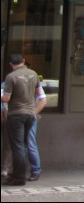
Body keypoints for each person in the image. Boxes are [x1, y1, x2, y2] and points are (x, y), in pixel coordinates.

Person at [1, 54, 46, 187]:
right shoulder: (34, 74)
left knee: (17, 146)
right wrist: (34, 111)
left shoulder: (11, 77)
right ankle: (21, 174)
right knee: (27, 145)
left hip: (16, 114)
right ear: (23, 61)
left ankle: (19, 177)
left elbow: (6, 99)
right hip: (30, 114)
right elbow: (39, 95)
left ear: (11, 64)